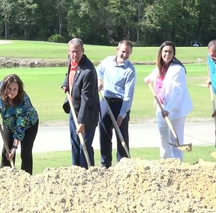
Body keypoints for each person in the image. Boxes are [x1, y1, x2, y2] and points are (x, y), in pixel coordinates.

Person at [144, 41, 193, 161]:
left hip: (175, 110)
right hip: (161, 108)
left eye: (170, 52)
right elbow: (153, 74)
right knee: (163, 138)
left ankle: (177, 164)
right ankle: (164, 162)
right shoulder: (160, 66)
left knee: (175, 140)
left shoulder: (178, 69)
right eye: (165, 51)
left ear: (174, 53)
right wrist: (148, 79)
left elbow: (178, 93)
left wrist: (168, 109)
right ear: (161, 52)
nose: (167, 54)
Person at [95, 40, 136, 168]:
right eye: (123, 51)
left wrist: (122, 114)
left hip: (120, 104)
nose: (125, 55)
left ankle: (123, 165)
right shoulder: (107, 61)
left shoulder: (130, 70)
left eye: (128, 52)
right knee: (104, 135)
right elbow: (98, 70)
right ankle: (105, 164)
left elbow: (128, 96)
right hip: (105, 101)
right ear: (117, 50)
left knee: (121, 136)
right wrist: (99, 80)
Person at [61, 38, 99, 169]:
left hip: (87, 113)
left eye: (77, 52)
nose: (74, 55)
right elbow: (69, 72)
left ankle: (88, 173)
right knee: (75, 144)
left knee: (85, 146)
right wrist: (66, 84)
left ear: (83, 51)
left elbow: (86, 99)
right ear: (69, 51)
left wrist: (82, 123)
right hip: (74, 109)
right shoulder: (71, 58)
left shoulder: (87, 71)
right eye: (72, 52)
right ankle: (75, 171)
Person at [0, 74, 39, 174]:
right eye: (9, 89)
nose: (11, 92)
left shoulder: (23, 104)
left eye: (14, 89)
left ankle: (26, 179)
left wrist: (14, 148)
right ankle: (4, 176)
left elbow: (20, 128)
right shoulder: (0, 87)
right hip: (8, 122)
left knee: (25, 152)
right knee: (6, 150)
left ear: (19, 89)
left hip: (29, 125)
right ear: (4, 88)